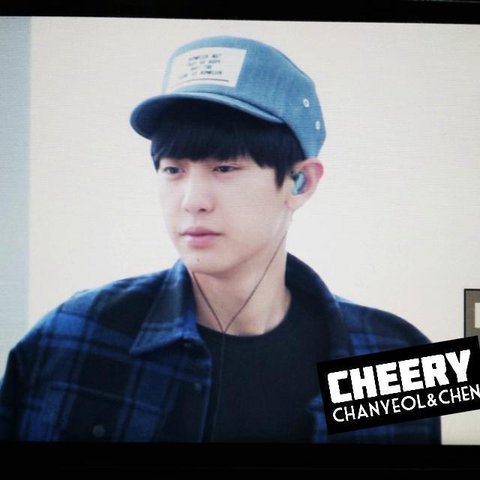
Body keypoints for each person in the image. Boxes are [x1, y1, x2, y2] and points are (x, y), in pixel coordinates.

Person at [0, 35, 440, 443]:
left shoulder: (396, 358)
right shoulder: (72, 337)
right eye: (173, 170)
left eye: (224, 168)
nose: (192, 201)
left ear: (300, 182)